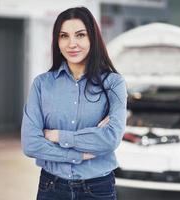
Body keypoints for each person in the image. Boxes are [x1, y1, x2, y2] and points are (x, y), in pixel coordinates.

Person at [21, 7, 127, 200]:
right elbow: (31, 144)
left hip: (97, 188)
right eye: (64, 36)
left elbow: (111, 139)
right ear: (57, 41)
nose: (72, 44)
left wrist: (55, 135)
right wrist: (79, 154)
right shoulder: (42, 84)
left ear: (92, 38)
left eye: (80, 35)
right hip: (51, 186)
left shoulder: (113, 84)